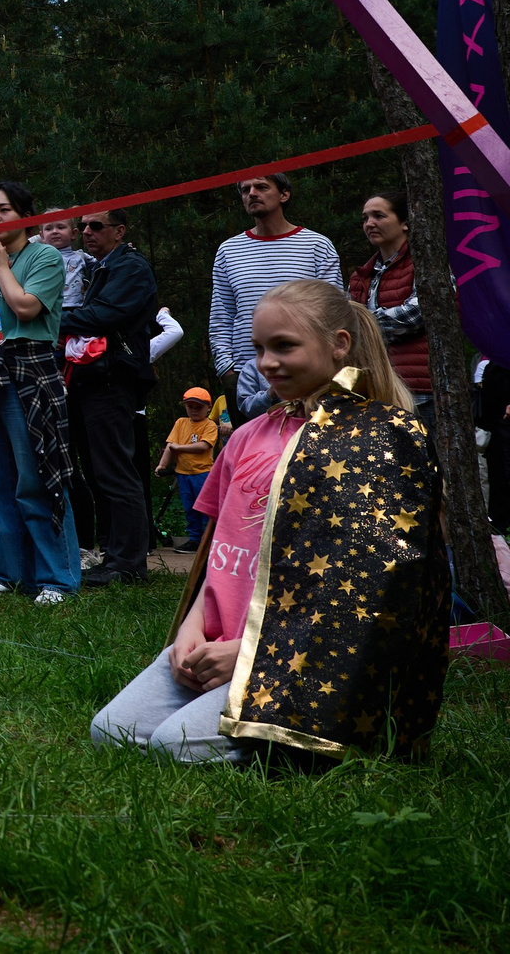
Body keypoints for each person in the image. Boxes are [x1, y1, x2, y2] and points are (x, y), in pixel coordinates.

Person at [90, 280, 448, 763]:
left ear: (339, 344)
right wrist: (192, 628)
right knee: (111, 731)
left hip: (299, 659)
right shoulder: (247, 435)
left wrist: (251, 654)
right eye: (259, 348)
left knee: (174, 745)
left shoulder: (380, 438)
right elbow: (217, 550)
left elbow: (367, 587)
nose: (266, 362)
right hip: (214, 642)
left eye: (284, 346)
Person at [0, 182, 80, 604]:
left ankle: (57, 579)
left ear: (26, 216)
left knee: (37, 475)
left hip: (30, 368)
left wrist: (3, 268)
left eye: (3, 209)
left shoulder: (44, 256)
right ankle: (9, 573)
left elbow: (26, 308)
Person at [63, 208, 160, 588]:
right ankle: (113, 556)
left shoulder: (130, 267)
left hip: (113, 379)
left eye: (96, 226)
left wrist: (46, 320)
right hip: (91, 379)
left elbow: (103, 315)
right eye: (83, 226)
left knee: (116, 471)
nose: (87, 231)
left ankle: (128, 564)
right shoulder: (101, 268)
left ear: (119, 231)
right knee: (99, 472)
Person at [208, 173, 342, 417]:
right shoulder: (228, 250)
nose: (252, 194)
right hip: (247, 380)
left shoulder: (317, 246)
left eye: (261, 187)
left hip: (307, 374)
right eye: (245, 190)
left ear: (284, 194)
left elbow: (335, 313)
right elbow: (221, 315)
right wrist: (226, 369)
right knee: (251, 444)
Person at [348, 190, 428, 411]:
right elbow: (344, 323)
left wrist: (362, 324)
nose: (369, 223)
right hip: (375, 390)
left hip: (420, 392)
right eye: (365, 218)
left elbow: (418, 313)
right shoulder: (361, 276)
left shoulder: (426, 264)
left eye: (379, 216)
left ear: (404, 222)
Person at [155, 387, 222, 543]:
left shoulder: (209, 425)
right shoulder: (181, 423)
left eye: (199, 407)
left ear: (208, 408)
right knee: (189, 507)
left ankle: (208, 540)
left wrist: (180, 448)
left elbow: (203, 446)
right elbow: (170, 445)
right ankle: (194, 539)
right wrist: (162, 465)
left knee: (204, 507)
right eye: (190, 407)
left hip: (203, 474)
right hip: (183, 474)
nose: (194, 410)